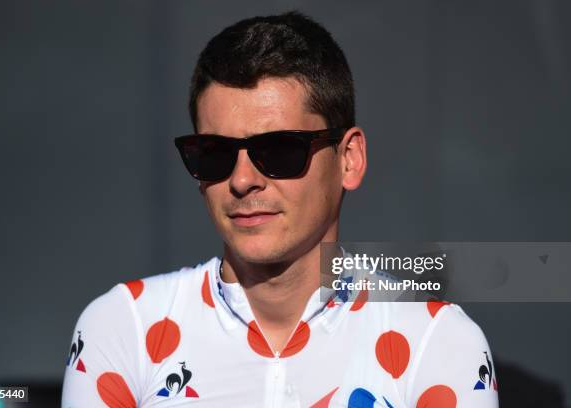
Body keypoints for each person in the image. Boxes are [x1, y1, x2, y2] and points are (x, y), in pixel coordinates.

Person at [61, 11, 499, 407]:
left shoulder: (437, 342)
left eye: (279, 149)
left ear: (349, 159)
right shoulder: (124, 327)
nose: (242, 179)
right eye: (212, 152)